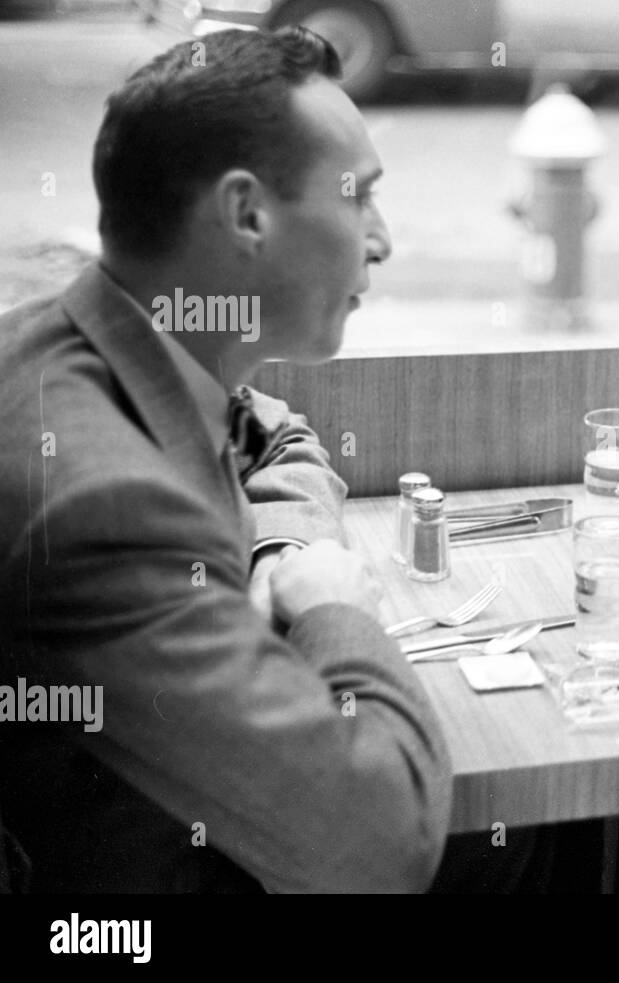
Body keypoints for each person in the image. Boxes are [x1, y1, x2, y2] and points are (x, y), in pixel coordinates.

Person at [0, 28, 455, 892]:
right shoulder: (99, 505)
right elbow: (380, 849)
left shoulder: (104, 335)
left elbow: (276, 435)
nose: (383, 241)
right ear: (247, 214)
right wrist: (331, 607)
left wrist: (282, 553)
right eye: (360, 197)